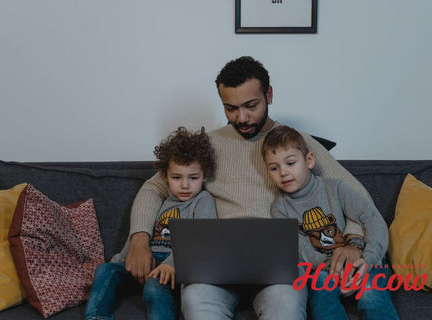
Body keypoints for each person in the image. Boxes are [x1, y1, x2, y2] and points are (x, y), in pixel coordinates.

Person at [123, 56, 372, 319]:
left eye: (251, 105)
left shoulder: (296, 143)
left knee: (285, 307)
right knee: (195, 301)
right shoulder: (207, 144)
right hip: (214, 263)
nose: (241, 117)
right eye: (230, 108)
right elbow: (154, 189)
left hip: (280, 265)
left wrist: (354, 242)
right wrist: (138, 239)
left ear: (269, 94)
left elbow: (357, 195)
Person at [262, 125, 400, 320]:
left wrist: (367, 260)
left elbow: (373, 218)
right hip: (323, 267)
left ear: (309, 160)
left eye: (290, 163)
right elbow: (298, 246)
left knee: (372, 297)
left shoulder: (335, 188)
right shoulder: (280, 207)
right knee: (322, 302)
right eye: (274, 168)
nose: (283, 172)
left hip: (362, 259)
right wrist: (328, 266)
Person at [85, 126, 217, 320]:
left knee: (154, 287)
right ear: (164, 177)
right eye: (176, 177)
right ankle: (96, 317)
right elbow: (137, 240)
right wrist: (117, 263)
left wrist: (172, 264)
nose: (185, 185)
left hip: (175, 266)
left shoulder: (203, 200)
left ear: (204, 175)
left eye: (194, 178)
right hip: (147, 262)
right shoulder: (161, 199)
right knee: (104, 271)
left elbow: (202, 236)